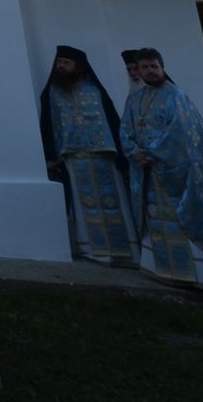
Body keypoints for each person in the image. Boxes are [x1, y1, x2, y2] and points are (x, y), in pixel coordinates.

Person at [120, 47, 203, 291]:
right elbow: (125, 129)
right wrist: (133, 151)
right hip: (149, 174)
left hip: (177, 174)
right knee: (157, 222)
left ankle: (202, 276)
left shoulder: (175, 96)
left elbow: (179, 133)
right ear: (138, 70)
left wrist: (151, 153)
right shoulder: (134, 100)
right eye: (145, 67)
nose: (150, 71)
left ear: (162, 67)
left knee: (183, 219)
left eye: (154, 66)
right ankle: (163, 269)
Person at [38, 44, 133, 266]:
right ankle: (92, 248)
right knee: (84, 205)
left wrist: (122, 154)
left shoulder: (94, 89)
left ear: (78, 67)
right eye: (59, 62)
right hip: (72, 157)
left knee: (113, 201)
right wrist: (50, 156)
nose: (61, 66)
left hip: (104, 155)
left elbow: (111, 119)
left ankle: (124, 251)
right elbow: (47, 125)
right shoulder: (51, 91)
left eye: (66, 63)